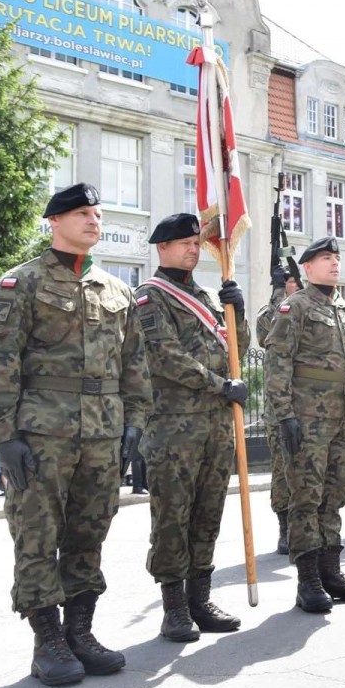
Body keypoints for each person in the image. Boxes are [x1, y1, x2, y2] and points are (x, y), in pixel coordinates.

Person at [0, 184, 152, 686]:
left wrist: (134, 423)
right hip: (41, 433)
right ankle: (48, 642)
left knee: (89, 532)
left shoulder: (117, 289)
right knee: (38, 535)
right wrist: (4, 435)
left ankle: (80, 632)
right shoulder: (22, 283)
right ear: (54, 221)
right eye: (82, 213)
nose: (94, 221)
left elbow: (134, 365)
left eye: (98, 213)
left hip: (101, 436)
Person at [134, 213, 251, 641]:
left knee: (207, 515)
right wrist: (223, 386)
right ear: (161, 247)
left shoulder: (203, 296)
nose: (193, 249)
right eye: (183, 243)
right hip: (173, 429)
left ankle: (200, 598)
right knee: (172, 517)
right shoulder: (151, 297)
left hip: (216, 427)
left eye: (195, 243)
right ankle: (174, 608)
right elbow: (163, 356)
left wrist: (236, 311)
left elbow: (240, 348)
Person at [264, 236, 345, 612]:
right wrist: (285, 414)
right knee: (306, 499)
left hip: (344, 419)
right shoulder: (294, 307)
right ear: (307, 267)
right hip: (308, 420)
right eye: (325, 258)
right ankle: (308, 580)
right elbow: (277, 363)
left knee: (333, 498)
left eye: (336, 258)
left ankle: (332, 572)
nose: (334, 264)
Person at [257, 263, 302, 554]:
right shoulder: (269, 312)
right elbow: (269, 333)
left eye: (297, 280)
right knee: (283, 471)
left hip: (309, 405)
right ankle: (284, 529)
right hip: (279, 409)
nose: (295, 284)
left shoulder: (308, 309)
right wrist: (277, 294)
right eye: (288, 281)